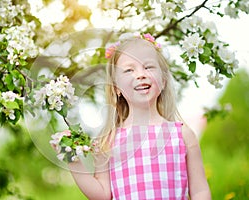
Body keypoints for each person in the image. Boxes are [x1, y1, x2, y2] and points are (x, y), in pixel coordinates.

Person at [68, 33, 211, 200]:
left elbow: (200, 190)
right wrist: (72, 159)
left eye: (148, 67)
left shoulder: (182, 135)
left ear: (163, 81)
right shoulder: (108, 141)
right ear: (116, 88)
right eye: (129, 70)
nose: (140, 74)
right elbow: (102, 194)